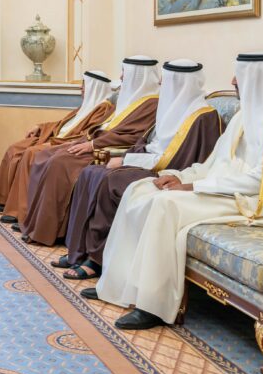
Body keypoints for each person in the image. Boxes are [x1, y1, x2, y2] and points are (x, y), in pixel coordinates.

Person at [94, 54, 263, 330]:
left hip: (256, 201)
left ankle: (151, 305)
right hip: (220, 190)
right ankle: (119, 284)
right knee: (139, 190)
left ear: (258, 78)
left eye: (239, 76)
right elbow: (214, 164)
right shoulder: (244, 116)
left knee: (166, 205)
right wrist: (179, 176)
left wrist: (194, 187)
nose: (233, 81)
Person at [57, 59, 222, 280]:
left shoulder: (204, 117)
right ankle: (79, 251)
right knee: (91, 172)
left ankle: (97, 260)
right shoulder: (171, 108)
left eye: (166, 80)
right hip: (149, 162)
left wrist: (127, 160)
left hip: (169, 172)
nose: (161, 83)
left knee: (111, 181)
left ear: (179, 83)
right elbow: (148, 142)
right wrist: (127, 156)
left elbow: (178, 159)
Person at [19, 56, 161, 244]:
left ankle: (50, 230)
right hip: (97, 142)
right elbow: (106, 125)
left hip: (110, 150)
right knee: (45, 154)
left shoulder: (152, 104)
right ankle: (35, 223)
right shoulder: (130, 98)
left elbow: (132, 137)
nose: (121, 77)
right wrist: (86, 140)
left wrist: (93, 145)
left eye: (125, 73)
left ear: (138, 76)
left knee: (60, 162)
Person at [0, 71, 114, 222]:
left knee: (31, 153)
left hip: (65, 143)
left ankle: (22, 211)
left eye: (84, 85)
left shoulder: (103, 109)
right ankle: (5, 200)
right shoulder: (87, 105)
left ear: (94, 87)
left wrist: (56, 142)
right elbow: (63, 124)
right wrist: (41, 126)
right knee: (15, 148)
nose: (81, 88)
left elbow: (87, 135)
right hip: (56, 138)